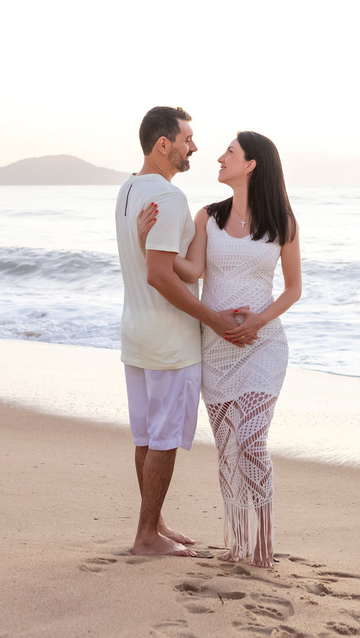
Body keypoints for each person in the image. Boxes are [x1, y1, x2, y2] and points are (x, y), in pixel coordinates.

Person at [138, 131, 301, 568]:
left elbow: (293, 289)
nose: (219, 156)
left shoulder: (282, 220)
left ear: (251, 164)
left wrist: (258, 322)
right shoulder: (208, 216)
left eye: (230, 152)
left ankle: (263, 548)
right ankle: (237, 544)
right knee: (228, 446)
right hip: (216, 347)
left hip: (263, 345)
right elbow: (190, 268)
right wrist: (147, 244)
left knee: (251, 440)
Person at [114, 106, 247, 557]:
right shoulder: (169, 200)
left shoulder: (128, 189)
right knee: (164, 440)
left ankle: (154, 522)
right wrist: (213, 319)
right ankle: (147, 534)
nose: (194, 146)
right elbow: (159, 274)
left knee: (147, 437)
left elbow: (150, 262)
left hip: (136, 333)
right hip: (169, 341)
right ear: (163, 144)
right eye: (187, 138)